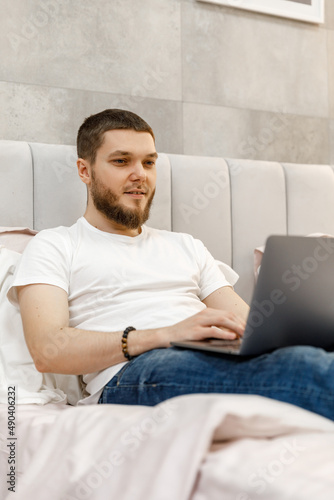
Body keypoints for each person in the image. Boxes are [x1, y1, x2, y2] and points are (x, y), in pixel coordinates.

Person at [10, 109, 334, 420]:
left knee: (300, 358)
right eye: (122, 161)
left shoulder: (186, 245)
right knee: (303, 369)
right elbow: (48, 350)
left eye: (149, 162)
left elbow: (247, 322)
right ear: (85, 170)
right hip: (133, 372)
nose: (140, 175)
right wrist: (166, 334)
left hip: (206, 354)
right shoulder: (55, 245)